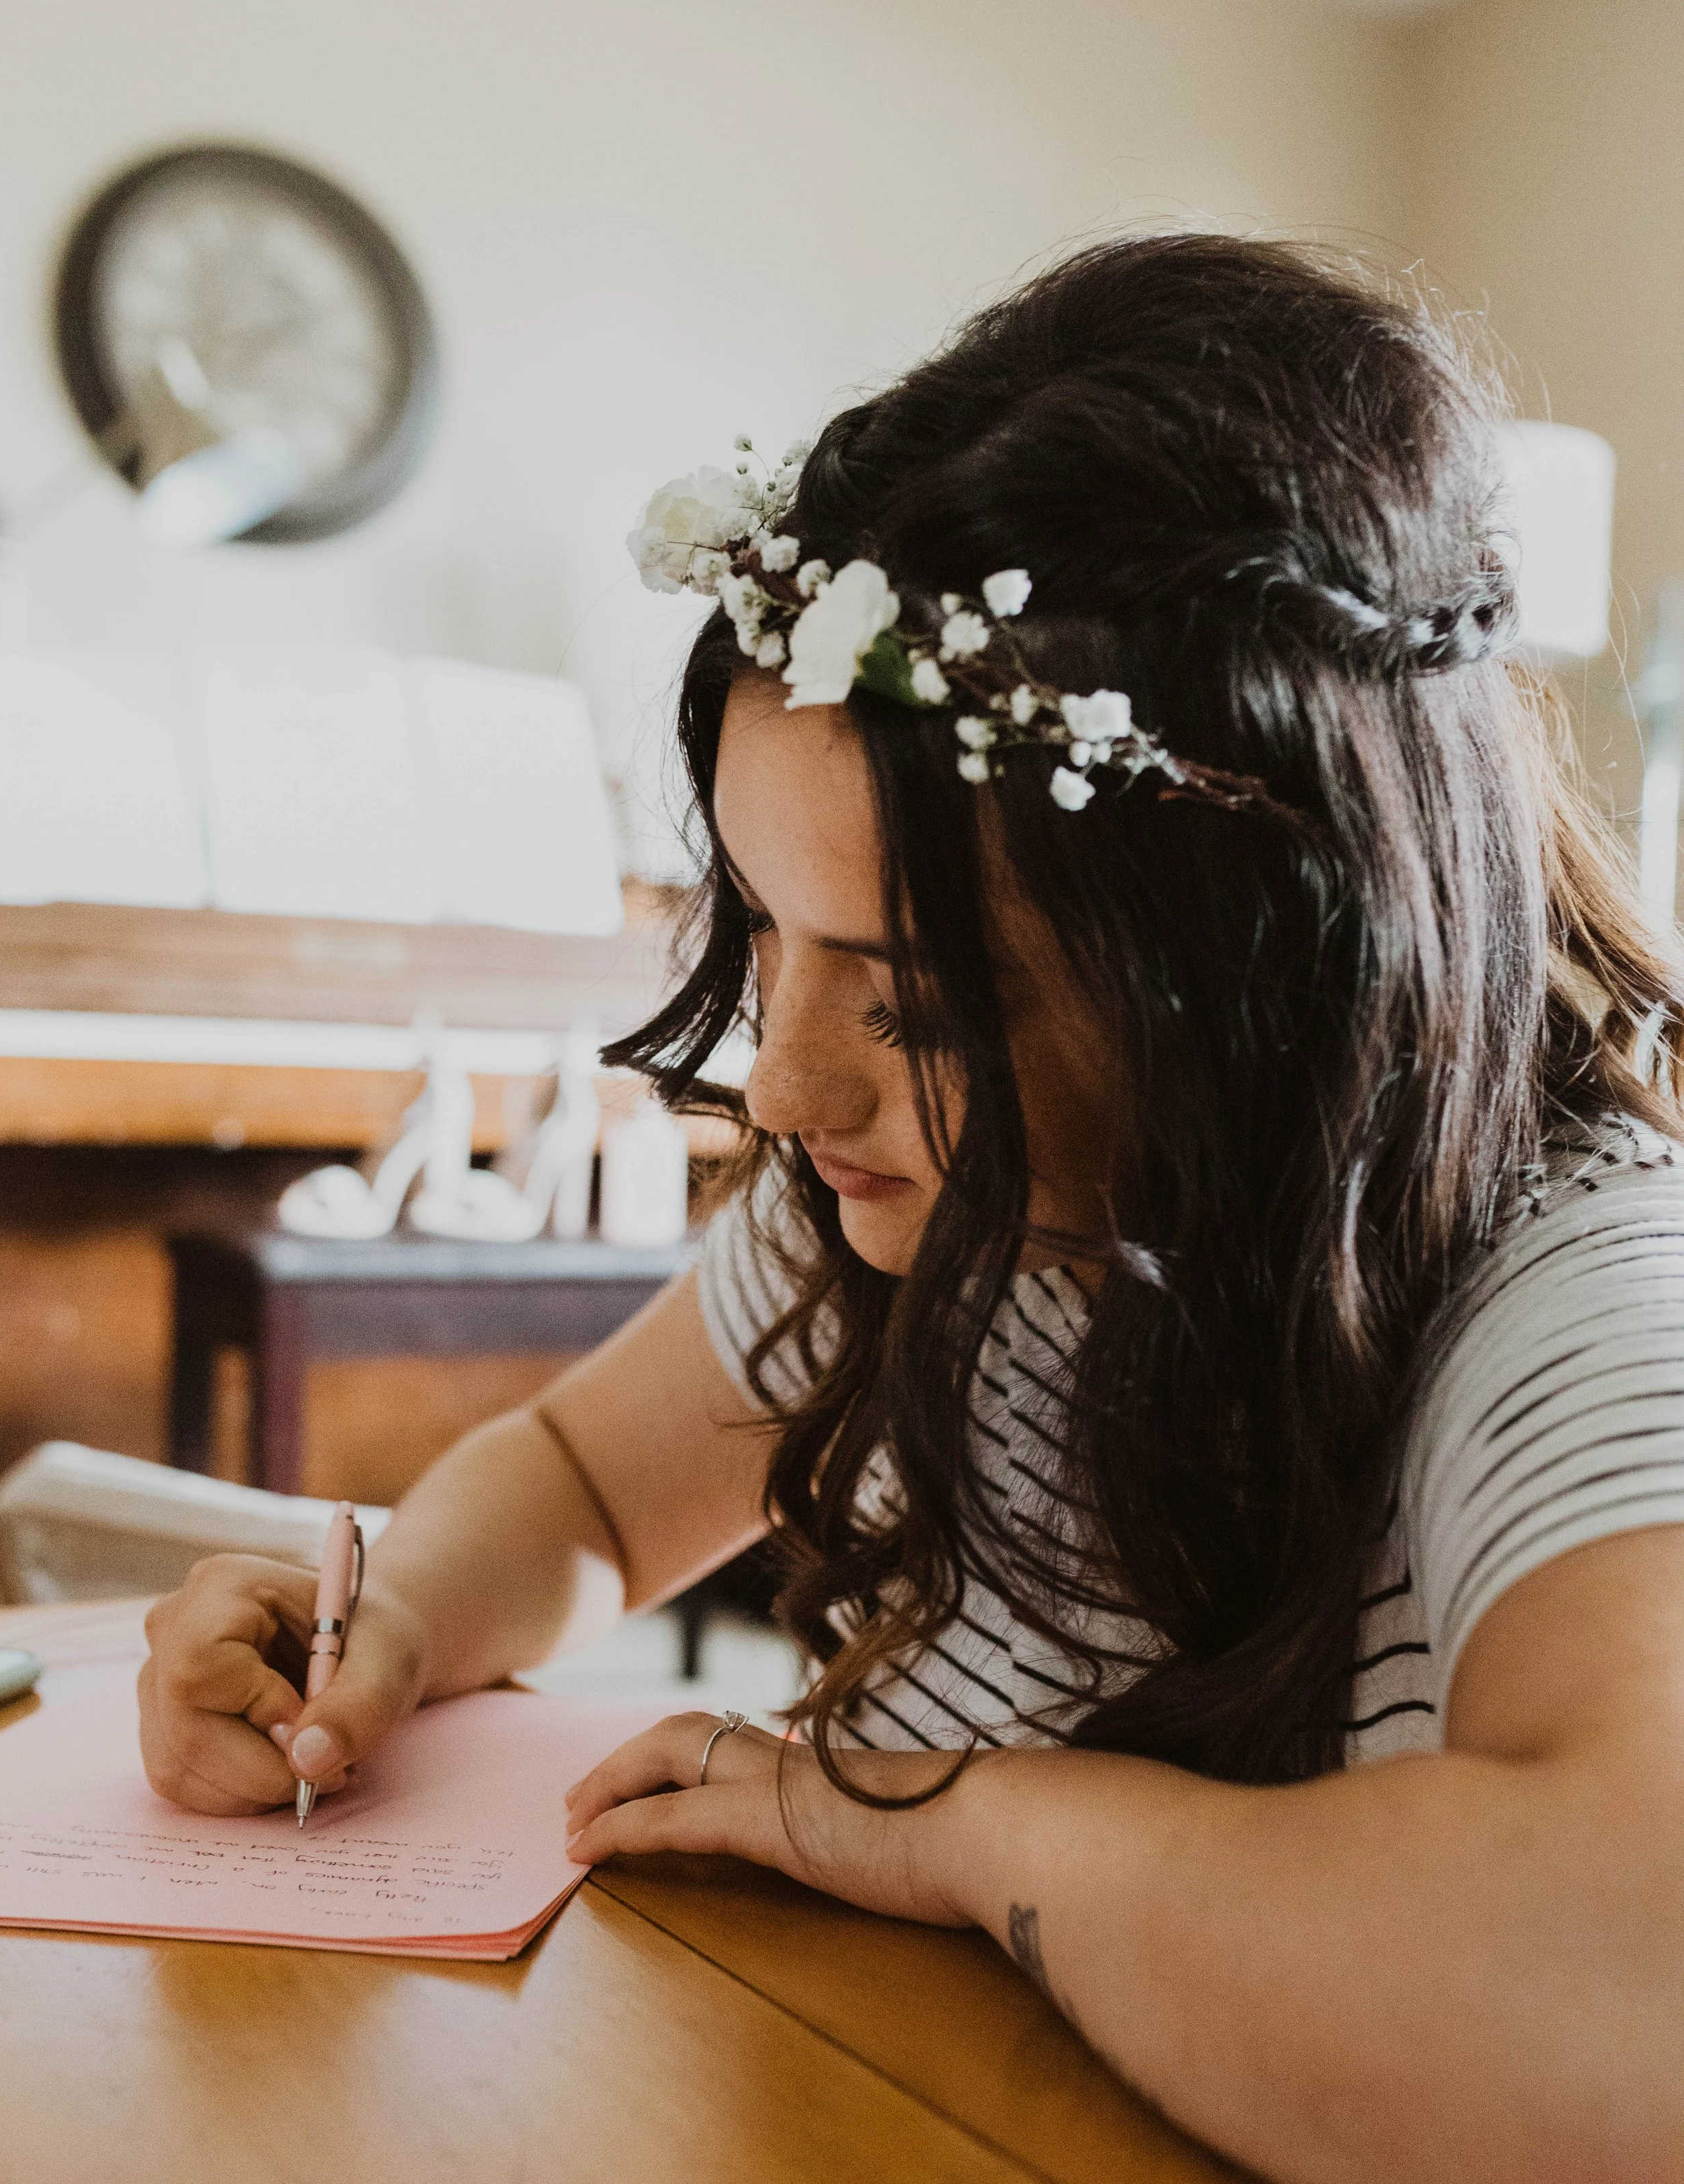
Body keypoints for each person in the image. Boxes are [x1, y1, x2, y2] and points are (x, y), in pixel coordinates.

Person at [138, 236, 1684, 2183]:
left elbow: (1631, 2008)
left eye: (921, 999)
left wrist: (957, 1821)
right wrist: (405, 1622)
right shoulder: (942, 1188)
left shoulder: (1588, 1307)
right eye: (766, 938)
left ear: (1267, 965)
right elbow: (585, 1487)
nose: (781, 1091)